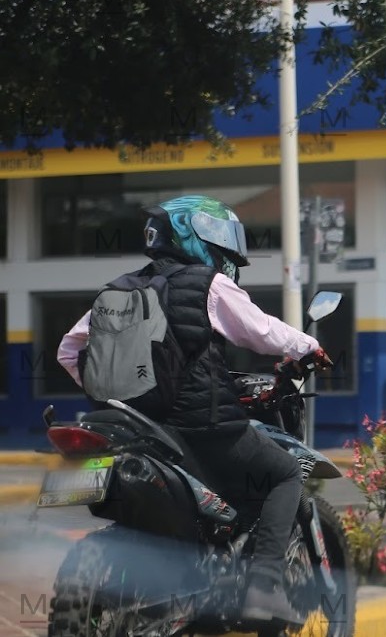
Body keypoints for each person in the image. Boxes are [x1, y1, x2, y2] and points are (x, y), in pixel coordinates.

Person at [56, 196, 333, 625]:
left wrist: (114, 396)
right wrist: (309, 346)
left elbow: (69, 351)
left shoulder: (119, 288)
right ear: (200, 233)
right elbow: (260, 330)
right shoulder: (207, 284)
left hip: (134, 430)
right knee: (283, 474)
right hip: (201, 427)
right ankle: (262, 589)